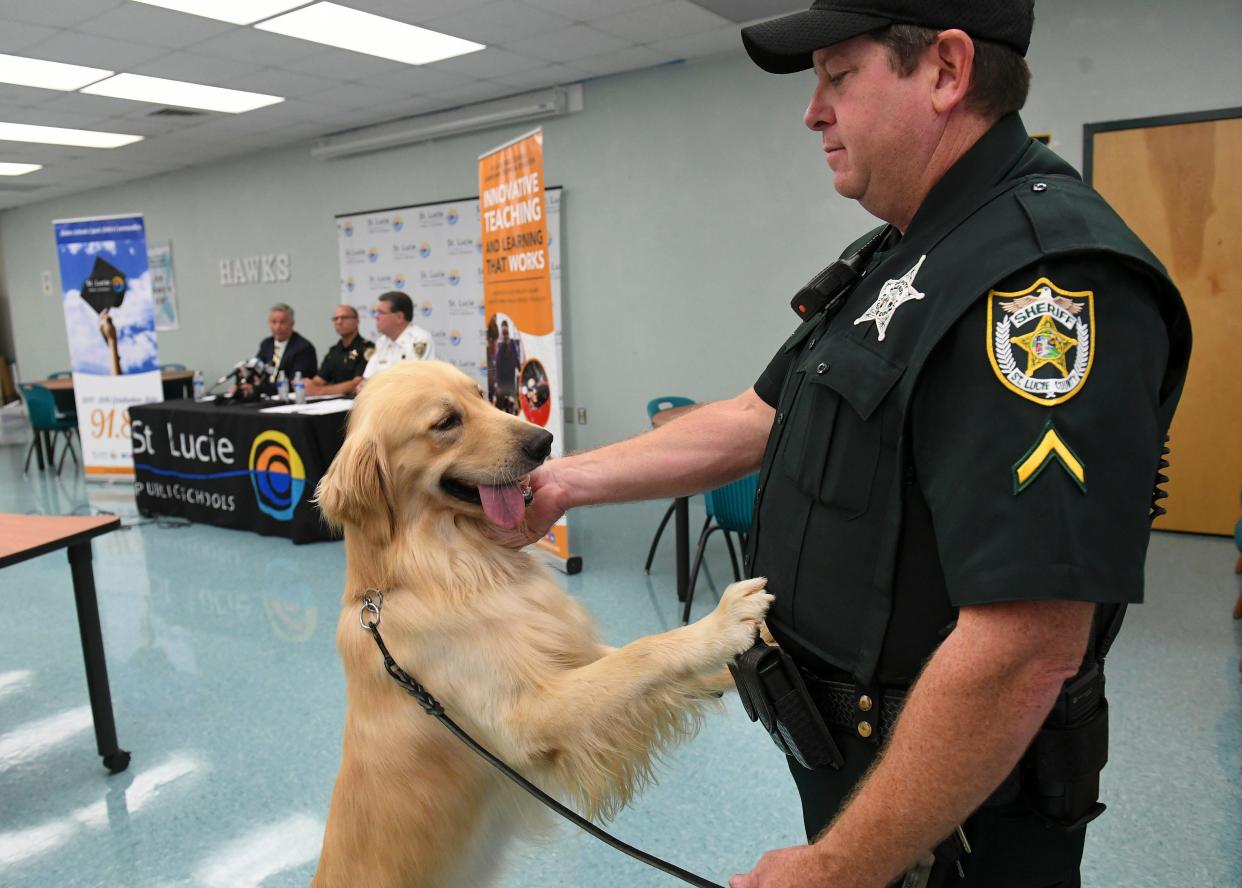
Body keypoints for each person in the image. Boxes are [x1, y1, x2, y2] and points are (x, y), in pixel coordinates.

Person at [501, 2, 1192, 886]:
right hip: (861, 764)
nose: (812, 111)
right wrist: (562, 482)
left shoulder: (1042, 279)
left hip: (954, 818)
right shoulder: (903, 253)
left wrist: (841, 866)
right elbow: (756, 418)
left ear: (946, 71)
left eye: (838, 76)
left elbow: (1026, 644)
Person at [361, 291, 435, 380]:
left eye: (381, 313)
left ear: (399, 317)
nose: (376, 317)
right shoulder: (382, 341)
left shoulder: (419, 340)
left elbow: (418, 381)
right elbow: (368, 377)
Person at [305, 305, 374, 397]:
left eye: (344, 318)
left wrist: (320, 391)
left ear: (357, 321)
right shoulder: (334, 351)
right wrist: (307, 384)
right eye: (335, 319)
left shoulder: (367, 348)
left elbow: (358, 383)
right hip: (332, 403)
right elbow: (319, 380)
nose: (339, 322)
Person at [254, 302, 317, 392]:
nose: (277, 327)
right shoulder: (266, 344)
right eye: (274, 322)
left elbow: (294, 383)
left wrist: (260, 387)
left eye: (282, 322)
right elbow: (256, 370)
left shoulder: (304, 348)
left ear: (292, 323)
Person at [492, 319, 523, 415]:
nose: (505, 333)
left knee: (512, 407)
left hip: (510, 380)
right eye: (503, 331)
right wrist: (497, 383)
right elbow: (497, 365)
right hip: (502, 382)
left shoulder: (512, 343)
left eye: (506, 331)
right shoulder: (500, 346)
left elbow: (515, 357)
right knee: (500, 409)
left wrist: (520, 369)